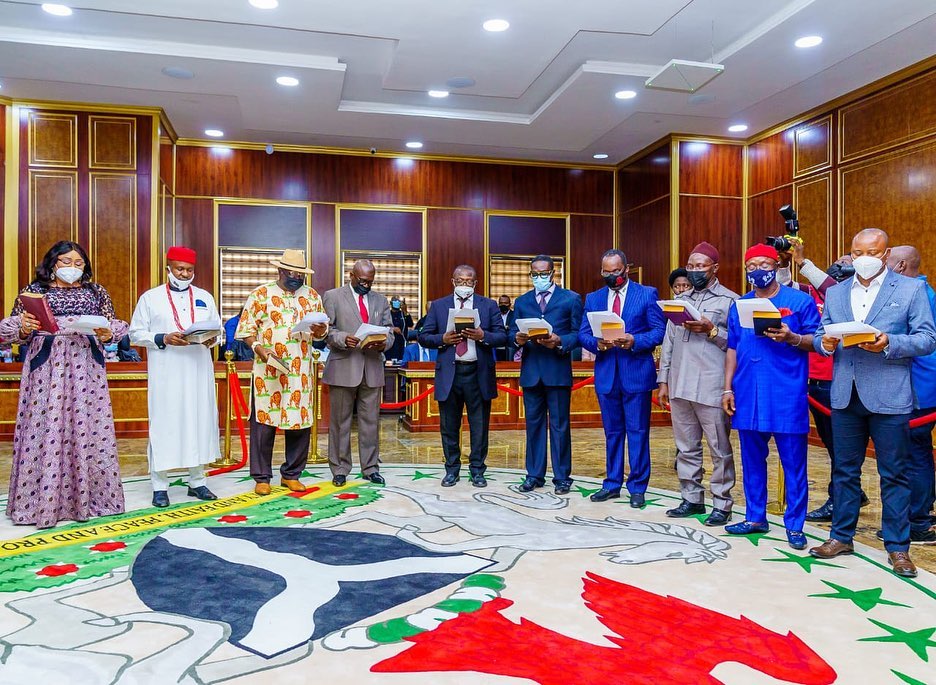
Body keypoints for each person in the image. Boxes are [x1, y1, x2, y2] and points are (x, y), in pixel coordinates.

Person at [809, 230, 936, 577]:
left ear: (887, 253)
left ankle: (898, 547)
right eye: (856, 251)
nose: (864, 257)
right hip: (845, 393)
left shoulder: (911, 289)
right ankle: (841, 536)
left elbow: (927, 339)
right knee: (845, 470)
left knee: (894, 474)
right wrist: (826, 344)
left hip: (890, 394)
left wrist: (888, 342)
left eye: (873, 251)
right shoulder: (836, 292)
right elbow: (822, 333)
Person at [0, 240, 127, 528]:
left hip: (86, 367)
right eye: (66, 262)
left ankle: (93, 500)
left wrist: (107, 334)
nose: (73, 267)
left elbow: (112, 326)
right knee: (45, 428)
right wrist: (23, 327)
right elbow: (13, 332)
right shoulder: (35, 291)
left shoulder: (96, 291)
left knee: (89, 426)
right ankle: (39, 504)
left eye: (78, 263)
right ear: (53, 263)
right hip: (47, 367)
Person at [723, 243, 819, 550]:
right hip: (748, 390)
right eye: (751, 266)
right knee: (752, 460)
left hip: (785, 391)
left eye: (764, 264)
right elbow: (733, 347)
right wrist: (727, 387)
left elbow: (818, 341)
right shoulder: (740, 304)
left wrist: (791, 337)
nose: (757, 271)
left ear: (777, 266)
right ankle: (755, 517)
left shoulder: (799, 302)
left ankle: (795, 524)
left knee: (793, 462)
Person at [776, 247, 870, 521]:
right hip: (815, 380)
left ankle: (839, 499)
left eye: (847, 262)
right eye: (837, 261)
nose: (839, 265)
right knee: (833, 447)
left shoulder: (850, 296)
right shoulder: (812, 293)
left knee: (841, 449)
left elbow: (829, 287)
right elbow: (784, 286)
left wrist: (803, 260)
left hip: (838, 381)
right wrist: (785, 263)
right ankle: (850, 494)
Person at [129, 246, 221, 508]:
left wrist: (212, 339)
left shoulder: (205, 296)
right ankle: (160, 486)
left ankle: (197, 482)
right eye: (179, 269)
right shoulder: (151, 298)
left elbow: (217, 329)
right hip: (166, 370)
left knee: (198, 421)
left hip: (197, 369)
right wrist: (162, 338)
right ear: (168, 268)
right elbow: (136, 333)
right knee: (164, 423)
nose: (184, 274)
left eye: (189, 270)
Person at [657, 242, 738, 526]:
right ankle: (691, 498)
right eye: (690, 266)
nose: (694, 271)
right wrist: (663, 379)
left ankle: (722, 503)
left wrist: (711, 329)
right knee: (686, 446)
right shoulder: (678, 300)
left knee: (719, 448)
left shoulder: (730, 301)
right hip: (679, 383)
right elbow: (668, 343)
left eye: (701, 266)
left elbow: (737, 344)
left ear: (715, 268)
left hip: (711, 385)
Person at [235, 249, 328, 496]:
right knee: (264, 423)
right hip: (269, 370)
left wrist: (319, 332)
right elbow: (245, 330)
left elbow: (321, 334)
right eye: (292, 273)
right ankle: (262, 477)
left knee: (299, 422)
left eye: (302, 274)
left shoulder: (312, 297)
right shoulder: (260, 294)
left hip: (301, 372)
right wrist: (259, 348)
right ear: (280, 270)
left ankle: (291, 474)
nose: (297, 278)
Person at [579, 249, 666, 507]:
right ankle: (612, 483)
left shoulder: (646, 294)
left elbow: (659, 331)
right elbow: (583, 334)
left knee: (638, 431)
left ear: (626, 269)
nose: (611, 276)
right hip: (607, 373)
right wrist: (598, 345)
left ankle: (637, 486)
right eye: (606, 272)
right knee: (612, 432)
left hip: (636, 373)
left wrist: (634, 340)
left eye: (616, 271)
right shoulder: (594, 298)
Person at [418, 265, 507, 487]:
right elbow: (424, 336)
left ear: (475, 283)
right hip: (450, 373)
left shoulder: (489, 306)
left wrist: (482, 335)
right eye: (460, 280)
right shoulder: (438, 306)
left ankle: (477, 470)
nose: (464, 284)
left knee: (479, 426)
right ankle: (452, 469)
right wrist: (442, 339)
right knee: (449, 426)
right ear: (453, 281)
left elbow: (502, 336)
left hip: (478, 372)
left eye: (469, 281)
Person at [510, 255, 583, 495]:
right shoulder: (522, 301)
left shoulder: (570, 299)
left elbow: (578, 334)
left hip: (557, 369)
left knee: (560, 426)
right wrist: (517, 339)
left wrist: (560, 341)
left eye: (543, 273)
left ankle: (562, 477)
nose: (539, 277)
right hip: (531, 372)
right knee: (533, 425)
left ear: (553, 273)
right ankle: (534, 474)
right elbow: (512, 333)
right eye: (535, 274)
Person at [322, 259, 395, 487]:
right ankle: (340, 469)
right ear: (351, 276)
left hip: (372, 367)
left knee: (371, 422)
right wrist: (343, 338)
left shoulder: (380, 300)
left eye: (370, 282)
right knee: (340, 422)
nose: (366, 285)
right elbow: (326, 331)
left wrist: (383, 343)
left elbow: (390, 331)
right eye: (362, 281)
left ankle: (370, 468)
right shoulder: (333, 296)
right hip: (344, 364)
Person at [887, 245, 936, 542]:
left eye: (887, 262)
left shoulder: (916, 295)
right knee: (917, 454)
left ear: (902, 266)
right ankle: (919, 514)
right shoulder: (927, 292)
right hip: (920, 386)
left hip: (919, 388)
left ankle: (917, 521)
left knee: (914, 455)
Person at [386, 295, 412, 361]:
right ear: (391, 303)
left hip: (401, 341)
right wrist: (393, 329)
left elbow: (410, 324)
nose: (397, 303)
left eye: (398, 301)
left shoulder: (403, 314)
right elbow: (382, 326)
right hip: (391, 343)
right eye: (395, 301)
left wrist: (405, 311)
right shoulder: (387, 314)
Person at [495, 295, 517, 361]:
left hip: (509, 345)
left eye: (505, 303)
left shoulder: (514, 315)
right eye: (501, 303)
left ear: (510, 304)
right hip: (496, 345)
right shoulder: (495, 315)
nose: (503, 305)